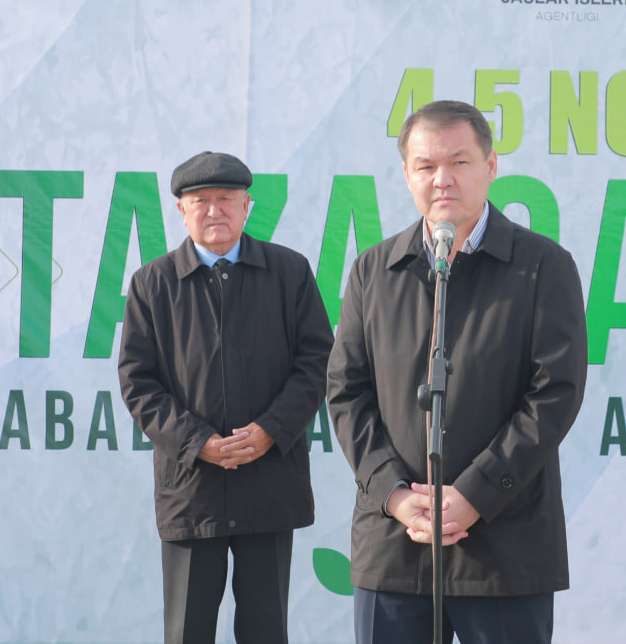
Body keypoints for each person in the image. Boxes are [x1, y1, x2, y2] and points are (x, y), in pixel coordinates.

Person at [327, 100, 588, 644]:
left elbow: (554, 394)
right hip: (396, 544)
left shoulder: (542, 266)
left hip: (503, 543)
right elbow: (347, 393)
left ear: (491, 167)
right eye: (425, 166)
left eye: (460, 162)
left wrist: (475, 493)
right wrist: (395, 493)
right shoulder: (375, 270)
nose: (442, 179)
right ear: (406, 175)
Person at [118, 151, 333, 644]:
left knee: (265, 630)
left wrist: (268, 432)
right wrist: (200, 443)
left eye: (226, 200)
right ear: (181, 211)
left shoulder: (289, 272)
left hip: (270, 485)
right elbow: (137, 380)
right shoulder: (153, 284)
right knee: (187, 631)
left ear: (247, 206)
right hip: (192, 491)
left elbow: (316, 363)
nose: (214, 211)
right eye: (200, 201)